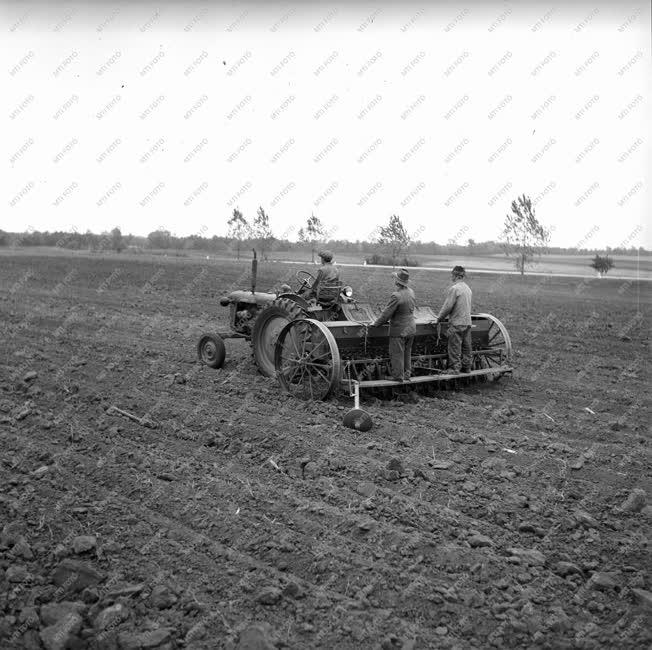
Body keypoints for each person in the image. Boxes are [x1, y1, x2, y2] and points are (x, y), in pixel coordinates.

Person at [372, 268, 416, 381]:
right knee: (407, 352)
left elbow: (386, 314)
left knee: (397, 353)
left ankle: (398, 376)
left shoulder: (396, 295)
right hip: (411, 328)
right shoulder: (411, 292)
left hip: (399, 330)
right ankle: (407, 374)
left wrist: (375, 324)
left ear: (397, 282)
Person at [432, 265, 472, 373]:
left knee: (454, 346)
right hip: (467, 322)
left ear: (455, 275)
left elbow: (448, 306)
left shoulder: (455, 289)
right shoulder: (468, 289)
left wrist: (439, 318)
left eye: (452, 275)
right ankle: (467, 367)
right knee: (466, 346)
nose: (451, 277)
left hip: (456, 323)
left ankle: (455, 368)